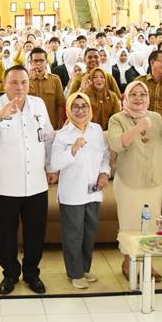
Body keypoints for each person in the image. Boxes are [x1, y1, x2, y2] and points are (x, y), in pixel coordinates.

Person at [0, 65, 55, 295]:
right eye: (14, 82)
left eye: (24, 82)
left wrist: (50, 167)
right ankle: (10, 274)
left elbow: (47, 137)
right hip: (4, 188)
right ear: (4, 83)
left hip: (36, 185)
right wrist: (0, 116)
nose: (19, 87)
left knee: (35, 234)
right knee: (6, 235)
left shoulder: (38, 104)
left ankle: (32, 273)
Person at [107, 81, 162, 282]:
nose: (138, 98)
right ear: (125, 98)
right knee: (130, 224)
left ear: (148, 97)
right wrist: (138, 127)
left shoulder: (156, 118)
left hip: (154, 181)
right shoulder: (116, 119)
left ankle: (149, 263)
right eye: (133, 94)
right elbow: (117, 144)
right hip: (129, 181)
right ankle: (128, 261)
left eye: (142, 94)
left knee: (152, 224)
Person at [50, 92, 110, 289]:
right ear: (69, 110)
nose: (80, 110)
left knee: (89, 232)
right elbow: (55, 164)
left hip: (94, 191)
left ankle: (84, 268)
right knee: (74, 234)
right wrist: (73, 149)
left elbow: (105, 156)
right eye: (75, 106)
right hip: (72, 193)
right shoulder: (62, 136)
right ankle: (74, 273)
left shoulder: (96, 129)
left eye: (84, 106)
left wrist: (104, 173)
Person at [27, 48, 66, 129]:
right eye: (35, 61)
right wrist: (28, 79)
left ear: (46, 62)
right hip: (30, 126)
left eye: (41, 60)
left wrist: (59, 126)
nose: (38, 63)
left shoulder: (55, 80)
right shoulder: (25, 81)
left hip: (51, 126)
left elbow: (61, 104)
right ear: (30, 63)